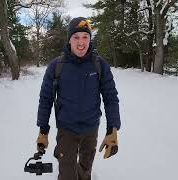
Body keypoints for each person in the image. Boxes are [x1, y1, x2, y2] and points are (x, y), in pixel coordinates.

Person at [36, 17, 121, 180]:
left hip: (91, 128)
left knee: (85, 170)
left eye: (85, 37)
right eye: (76, 37)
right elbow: (45, 99)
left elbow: (110, 97)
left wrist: (113, 129)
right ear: (69, 40)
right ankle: (66, 162)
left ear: (90, 39)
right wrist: (43, 130)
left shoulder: (100, 65)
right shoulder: (56, 66)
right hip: (66, 129)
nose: (81, 42)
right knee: (67, 175)